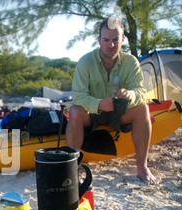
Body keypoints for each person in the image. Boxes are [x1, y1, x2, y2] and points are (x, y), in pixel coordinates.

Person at [66, 17, 158, 184]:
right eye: (106, 40)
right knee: (75, 110)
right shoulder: (85, 62)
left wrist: (131, 94)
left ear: (123, 39)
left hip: (120, 114)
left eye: (116, 40)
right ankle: (71, 169)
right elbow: (78, 96)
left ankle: (142, 168)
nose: (111, 45)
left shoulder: (131, 62)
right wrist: (99, 104)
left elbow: (141, 91)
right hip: (91, 114)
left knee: (143, 108)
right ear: (99, 40)